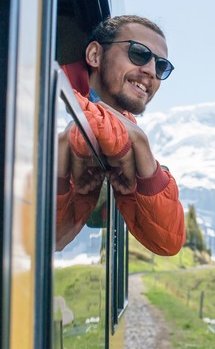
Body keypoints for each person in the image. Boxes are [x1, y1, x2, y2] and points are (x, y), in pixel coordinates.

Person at [56, 15, 185, 256]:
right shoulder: (52, 94)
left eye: (161, 66)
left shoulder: (129, 129)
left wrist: (142, 149)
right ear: (95, 55)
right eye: (138, 53)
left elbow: (168, 242)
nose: (150, 72)